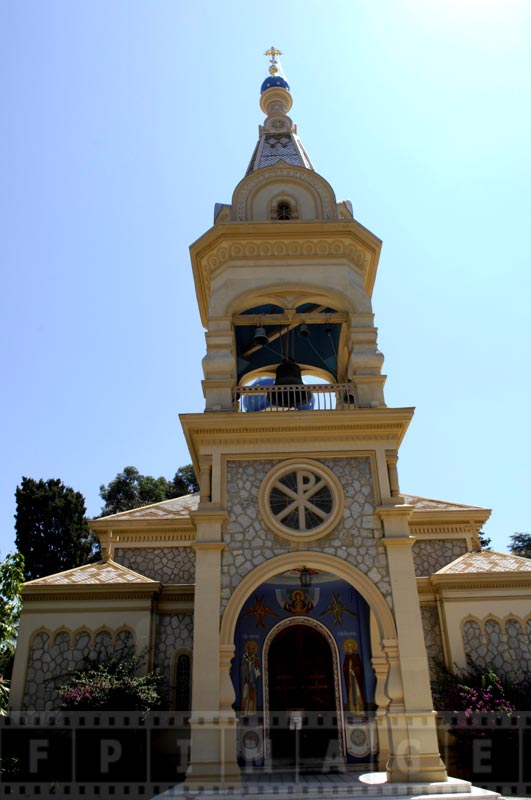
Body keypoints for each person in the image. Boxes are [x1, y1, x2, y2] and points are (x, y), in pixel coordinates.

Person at [342, 638, 366, 714]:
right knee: (352, 694)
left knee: (358, 693)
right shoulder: (346, 657)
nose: (350, 649)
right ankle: (353, 709)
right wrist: (349, 669)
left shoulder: (356, 656)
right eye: (348, 647)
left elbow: (359, 668)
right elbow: (344, 668)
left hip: (356, 679)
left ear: (353, 647)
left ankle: (360, 709)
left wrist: (355, 669)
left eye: (351, 647)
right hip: (350, 678)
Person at [240, 640, 261, 716]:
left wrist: (254, 665)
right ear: (248, 649)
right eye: (250, 648)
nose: (251, 650)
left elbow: (257, 671)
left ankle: (252, 712)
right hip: (246, 681)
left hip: (252, 682)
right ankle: (243, 712)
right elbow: (242, 668)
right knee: (245, 696)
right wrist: (247, 664)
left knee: (252, 697)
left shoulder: (255, 658)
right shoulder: (244, 657)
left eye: (252, 648)